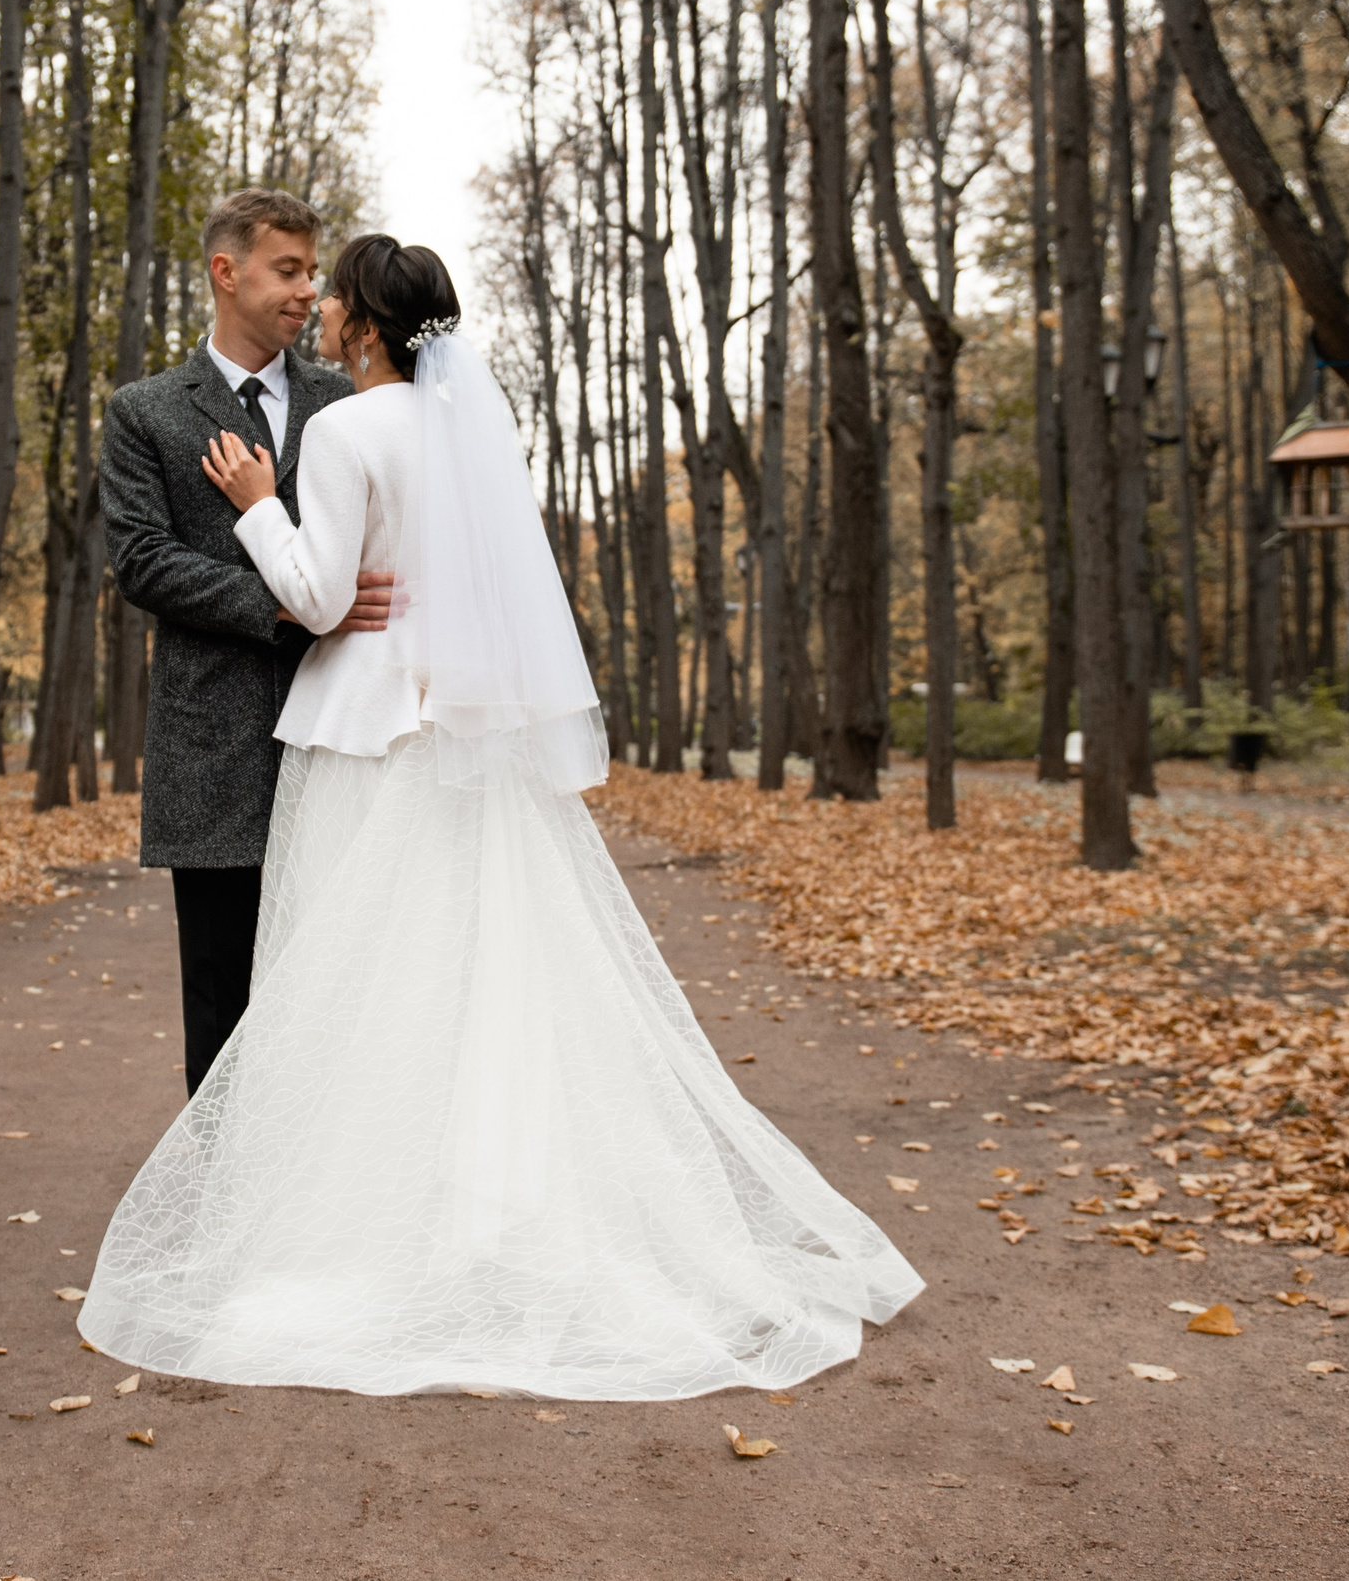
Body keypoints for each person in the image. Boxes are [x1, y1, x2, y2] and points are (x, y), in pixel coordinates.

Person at [79, 233, 923, 1401]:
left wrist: (262, 507)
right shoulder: (467, 428)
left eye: (332, 295)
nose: (315, 306)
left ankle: (348, 1223)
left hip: (367, 736)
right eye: (293, 275)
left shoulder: (338, 426)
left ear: (366, 327)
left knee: (355, 980)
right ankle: (489, 1210)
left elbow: (320, 597)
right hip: (464, 741)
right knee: (476, 979)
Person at [100, 188, 397, 1095]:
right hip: (213, 750)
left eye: (315, 272)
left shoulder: (343, 399)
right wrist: (289, 607)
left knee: (343, 996)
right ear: (227, 273)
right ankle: (221, 1216)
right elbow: (143, 561)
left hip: (345, 744)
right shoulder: (146, 410)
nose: (309, 291)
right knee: (222, 1007)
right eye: (289, 270)